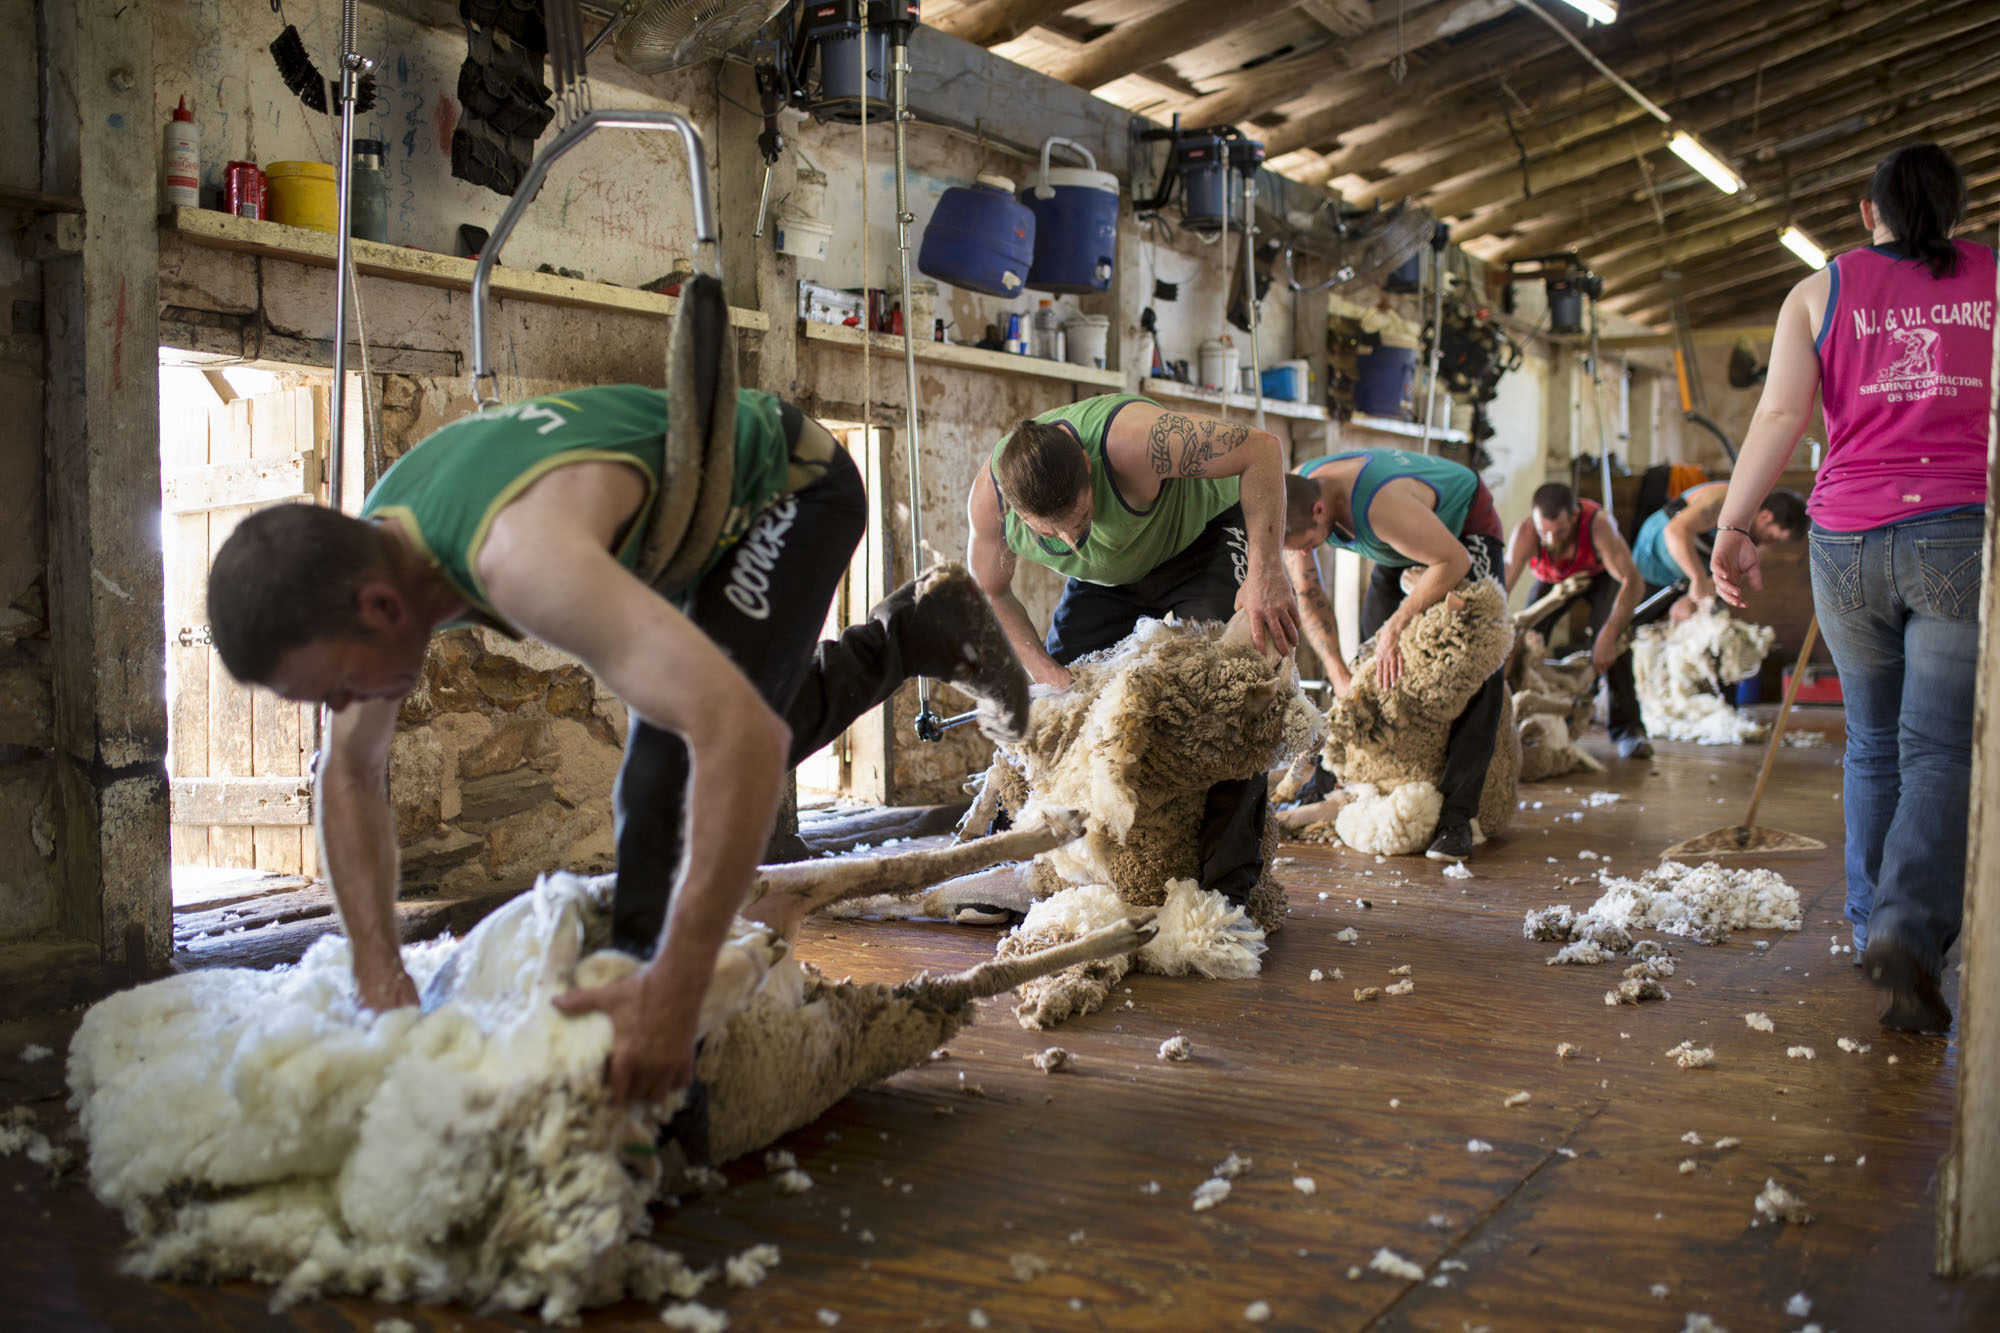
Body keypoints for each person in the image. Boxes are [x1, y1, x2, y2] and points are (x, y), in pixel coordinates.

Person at [207, 384, 1032, 1103]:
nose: (343, 706)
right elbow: (349, 771)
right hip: (681, 525)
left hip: (790, 485)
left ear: (382, 608)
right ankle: (918, 629)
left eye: (337, 687)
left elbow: (736, 737)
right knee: (712, 729)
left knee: (665, 774)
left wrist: (678, 983)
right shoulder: (373, 554)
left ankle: (667, 1053)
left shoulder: (519, 559)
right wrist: (378, 967)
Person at [1710, 142, 1995, 1033]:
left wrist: (1732, 522)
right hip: (1957, 528)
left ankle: (1874, 925)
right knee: (1939, 749)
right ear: (1955, 212)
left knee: (1872, 742)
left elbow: (1782, 414)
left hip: (1845, 538)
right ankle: (1909, 934)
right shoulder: (1993, 278)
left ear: (1867, 212)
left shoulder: (1819, 289)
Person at [966, 392, 1300, 906]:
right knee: (1051, 714)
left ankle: (1226, 889)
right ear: (1016, 509)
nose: (1070, 539)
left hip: (1201, 541)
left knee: (1231, 688)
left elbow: (1262, 450)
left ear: (1086, 465)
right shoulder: (990, 504)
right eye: (1050, 531)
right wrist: (1045, 671)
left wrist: (1267, 570)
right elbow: (992, 591)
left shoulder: (1134, 442)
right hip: (1105, 577)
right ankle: (1021, 867)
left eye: (1079, 517)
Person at [1282, 447, 1507, 861]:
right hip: (1400, 542)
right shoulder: (1295, 491)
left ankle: (1457, 816)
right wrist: (1340, 676)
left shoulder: (1381, 508)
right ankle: (1340, 778)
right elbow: (1309, 594)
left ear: (1319, 510)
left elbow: (1453, 561)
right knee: (1370, 666)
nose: (1304, 552)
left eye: (1309, 544)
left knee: (1476, 661)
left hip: (1462, 530)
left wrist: (1398, 625)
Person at [1503, 481, 1654, 760]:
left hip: (1599, 577)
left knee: (1612, 642)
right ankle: (1514, 724)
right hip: (1551, 582)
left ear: (1573, 517)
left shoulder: (1598, 526)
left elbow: (1633, 582)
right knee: (1523, 640)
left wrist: (1607, 635)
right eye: (1543, 532)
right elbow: (1502, 588)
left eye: (1558, 532)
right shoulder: (1526, 533)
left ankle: (1629, 729)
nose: (1549, 540)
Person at [1629, 476, 1806, 621]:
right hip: (1654, 551)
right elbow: (1675, 531)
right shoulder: (1726, 500)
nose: (1771, 544)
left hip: (1683, 577)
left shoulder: (1760, 546)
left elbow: (1723, 581)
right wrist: (1697, 578)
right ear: (1766, 516)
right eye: (1772, 537)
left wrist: (1693, 599)